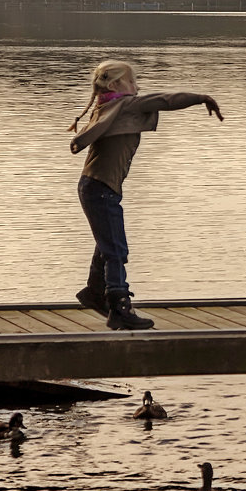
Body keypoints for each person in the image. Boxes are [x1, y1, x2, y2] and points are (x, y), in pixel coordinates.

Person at [68, 60, 224, 330]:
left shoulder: (106, 107)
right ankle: (119, 307)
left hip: (94, 187)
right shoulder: (126, 105)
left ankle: (94, 291)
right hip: (100, 189)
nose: (137, 87)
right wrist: (201, 98)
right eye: (132, 81)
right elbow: (165, 100)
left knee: (108, 243)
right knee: (116, 249)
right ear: (115, 84)